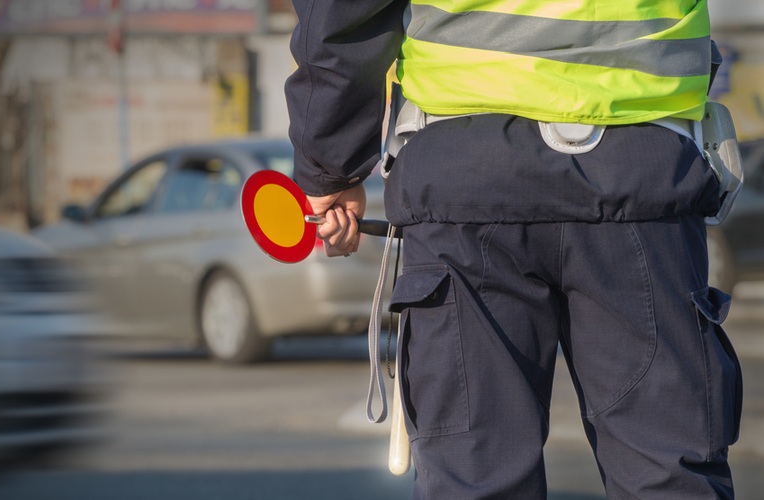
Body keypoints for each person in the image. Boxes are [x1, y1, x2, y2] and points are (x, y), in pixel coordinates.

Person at [285, 1, 743, 498]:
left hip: (463, 174)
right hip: (643, 170)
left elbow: (342, 14)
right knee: (668, 476)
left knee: (475, 473)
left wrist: (331, 162)